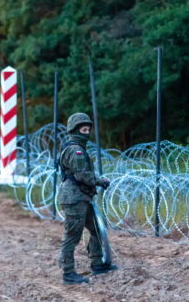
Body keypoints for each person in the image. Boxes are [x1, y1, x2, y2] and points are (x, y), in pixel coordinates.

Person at [58, 112, 117, 284]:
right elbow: (82, 175)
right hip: (74, 199)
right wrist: (99, 181)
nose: (87, 133)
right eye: (83, 129)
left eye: (87, 129)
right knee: (72, 236)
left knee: (97, 229)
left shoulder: (77, 148)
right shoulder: (75, 150)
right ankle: (68, 273)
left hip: (82, 197)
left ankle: (97, 264)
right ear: (75, 130)